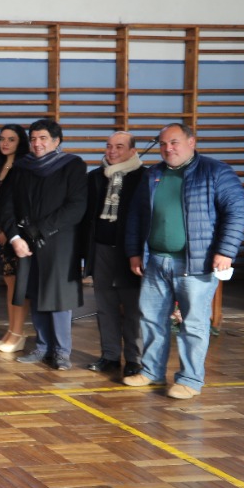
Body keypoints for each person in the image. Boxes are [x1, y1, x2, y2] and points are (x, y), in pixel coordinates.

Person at [124, 123, 244, 399]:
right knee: (152, 320)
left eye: (175, 142)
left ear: (191, 142)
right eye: (163, 144)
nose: (168, 148)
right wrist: (135, 251)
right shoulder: (153, 174)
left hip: (196, 264)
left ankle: (190, 380)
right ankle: (151, 371)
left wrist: (226, 250)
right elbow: (136, 216)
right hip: (156, 261)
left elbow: (238, 211)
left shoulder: (216, 171)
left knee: (193, 324)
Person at [0, 119, 88, 371]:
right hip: (26, 242)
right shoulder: (22, 168)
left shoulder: (72, 166)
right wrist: (15, 237)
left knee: (57, 295)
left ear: (57, 141)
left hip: (59, 241)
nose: (37, 143)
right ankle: (41, 346)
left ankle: (61, 351)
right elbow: (7, 206)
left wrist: (42, 228)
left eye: (43, 139)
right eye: (34, 138)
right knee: (35, 293)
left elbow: (76, 206)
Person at [81, 131, 145, 377]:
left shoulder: (144, 177)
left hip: (130, 253)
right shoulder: (96, 177)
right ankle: (109, 355)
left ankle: (133, 359)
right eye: (108, 146)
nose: (112, 151)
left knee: (132, 308)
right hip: (101, 250)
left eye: (119, 146)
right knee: (105, 306)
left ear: (132, 151)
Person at [0, 124, 31, 353]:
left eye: (11, 139)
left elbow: (22, 204)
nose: (5, 143)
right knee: (8, 283)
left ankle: (18, 332)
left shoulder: (24, 167)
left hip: (16, 233)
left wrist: (9, 232)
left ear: (20, 142)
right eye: (2, 139)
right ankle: (11, 330)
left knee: (18, 285)